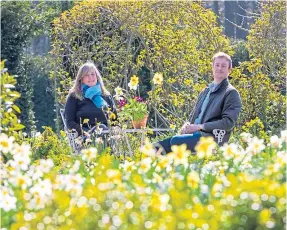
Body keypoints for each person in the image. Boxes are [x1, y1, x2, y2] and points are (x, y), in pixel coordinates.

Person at [156, 52, 242, 154]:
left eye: (223, 66)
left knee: (175, 141)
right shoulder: (205, 91)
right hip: (193, 135)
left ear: (229, 70)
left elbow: (228, 123)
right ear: (212, 68)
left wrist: (200, 127)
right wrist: (186, 125)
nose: (219, 68)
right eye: (217, 65)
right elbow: (193, 116)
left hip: (210, 139)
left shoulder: (231, 93)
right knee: (156, 147)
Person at [64, 61, 117, 137]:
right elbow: (69, 122)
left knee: (103, 129)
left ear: (97, 76)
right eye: (86, 75)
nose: (91, 77)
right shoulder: (74, 96)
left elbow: (115, 120)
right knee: (101, 129)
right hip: (85, 137)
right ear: (81, 79)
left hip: (107, 135)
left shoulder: (106, 96)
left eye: (93, 74)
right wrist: (87, 133)